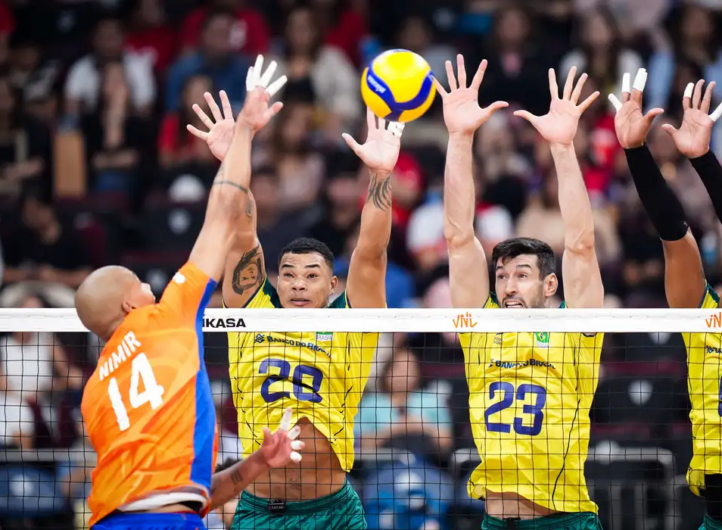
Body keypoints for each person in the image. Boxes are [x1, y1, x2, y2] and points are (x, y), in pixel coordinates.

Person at [73, 59, 304, 530]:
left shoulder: (94, 392)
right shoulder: (166, 317)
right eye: (140, 283)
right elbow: (221, 212)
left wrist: (258, 462)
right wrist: (244, 133)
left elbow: (183, 495)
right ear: (128, 305)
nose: (150, 286)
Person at [188, 56, 402, 530]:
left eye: (311, 275)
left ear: (332, 286)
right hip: (258, 512)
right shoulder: (251, 311)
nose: (299, 283)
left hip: (333, 513)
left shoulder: (352, 321)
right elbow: (242, 234)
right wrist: (235, 156)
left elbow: (371, 254)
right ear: (276, 281)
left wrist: (381, 176)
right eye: (288, 274)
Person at [436, 55, 605, 529]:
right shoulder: (481, 326)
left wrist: (563, 148)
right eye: (503, 276)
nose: (509, 286)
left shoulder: (576, 329)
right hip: (494, 521)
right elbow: (457, 236)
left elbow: (582, 245)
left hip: (561, 520)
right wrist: (459, 137)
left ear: (550, 285)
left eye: (522, 275)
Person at [609, 68, 722, 529]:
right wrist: (635, 152)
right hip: (717, 516)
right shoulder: (703, 319)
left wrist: (705, 161)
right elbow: (674, 234)